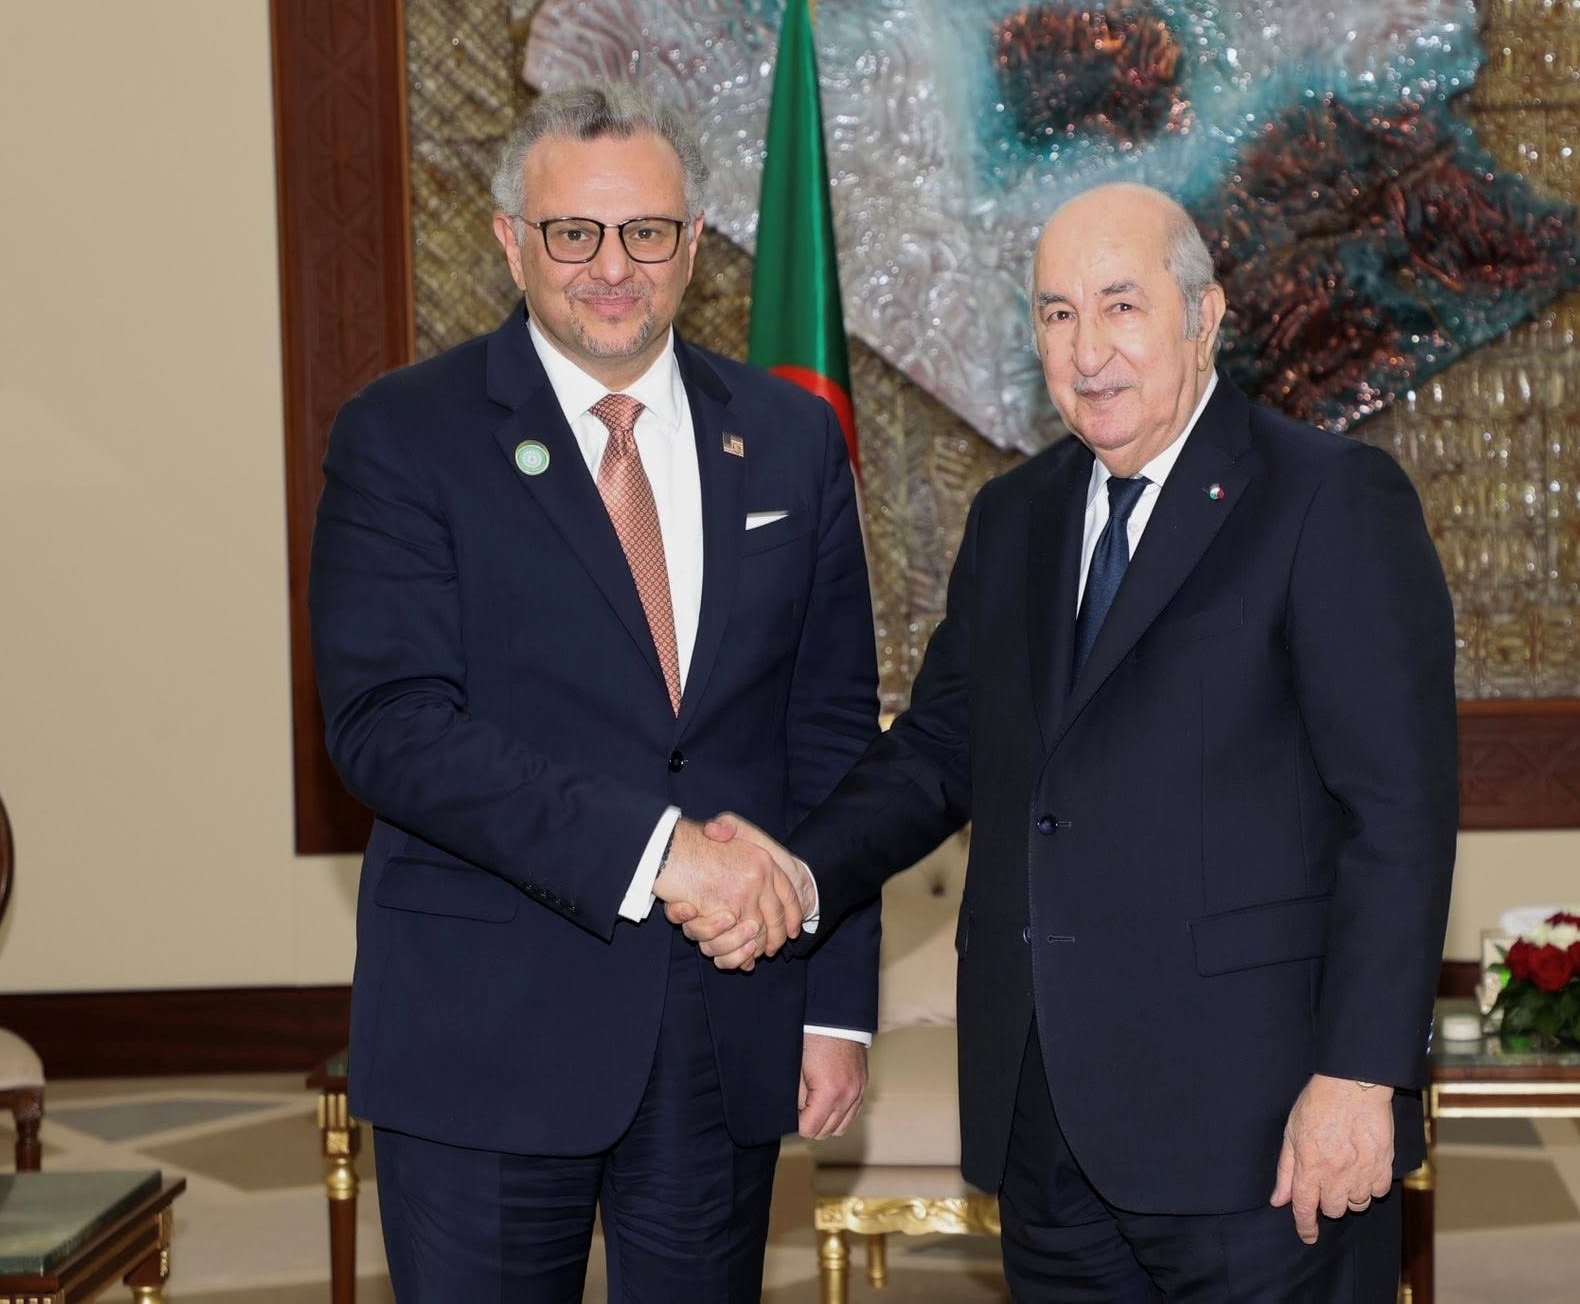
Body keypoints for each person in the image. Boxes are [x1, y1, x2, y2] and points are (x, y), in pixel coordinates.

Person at [686, 182, 1458, 1301]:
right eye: (1055, 314)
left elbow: (1399, 814)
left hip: (1263, 1131)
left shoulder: (1326, 499)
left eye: (1121, 306)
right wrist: (797, 871)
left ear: (1204, 317)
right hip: (1049, 1127)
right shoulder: (1016, 518)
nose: (1088, 349)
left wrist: (1360, 1074)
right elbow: (940, 750)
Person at [308, 80, 881, 1302]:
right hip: (486, 1035)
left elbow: (829, 737)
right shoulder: (404, 437)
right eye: (576, 233)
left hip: (723, 1032)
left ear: (694, 245)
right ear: (514, 241)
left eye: (648, 233)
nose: (612, 267)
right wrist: (658, 850)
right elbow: (390, 729)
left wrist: (836, 1002)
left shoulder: (788, 439)